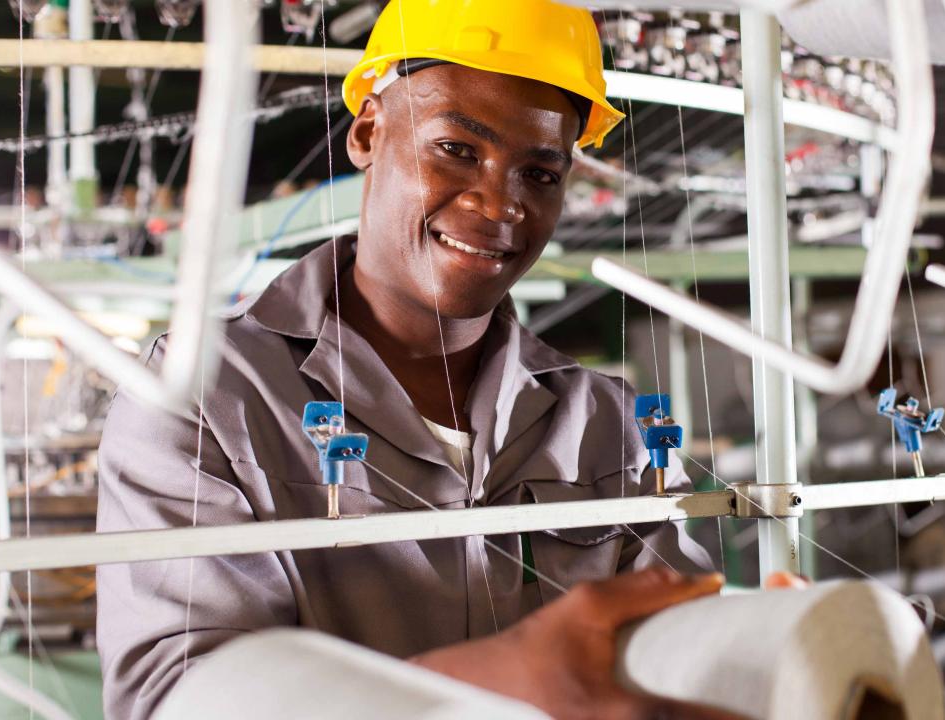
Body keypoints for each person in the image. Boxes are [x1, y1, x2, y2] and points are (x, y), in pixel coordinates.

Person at [95, 1, 733, 717]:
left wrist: (747, 641)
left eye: (541, 174)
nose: (500, 204)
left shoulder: (606, 423)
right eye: (457, 149)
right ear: (368, 131)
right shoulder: (204, 396)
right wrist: (486, 683)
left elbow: (678, 647)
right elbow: (177, 696)